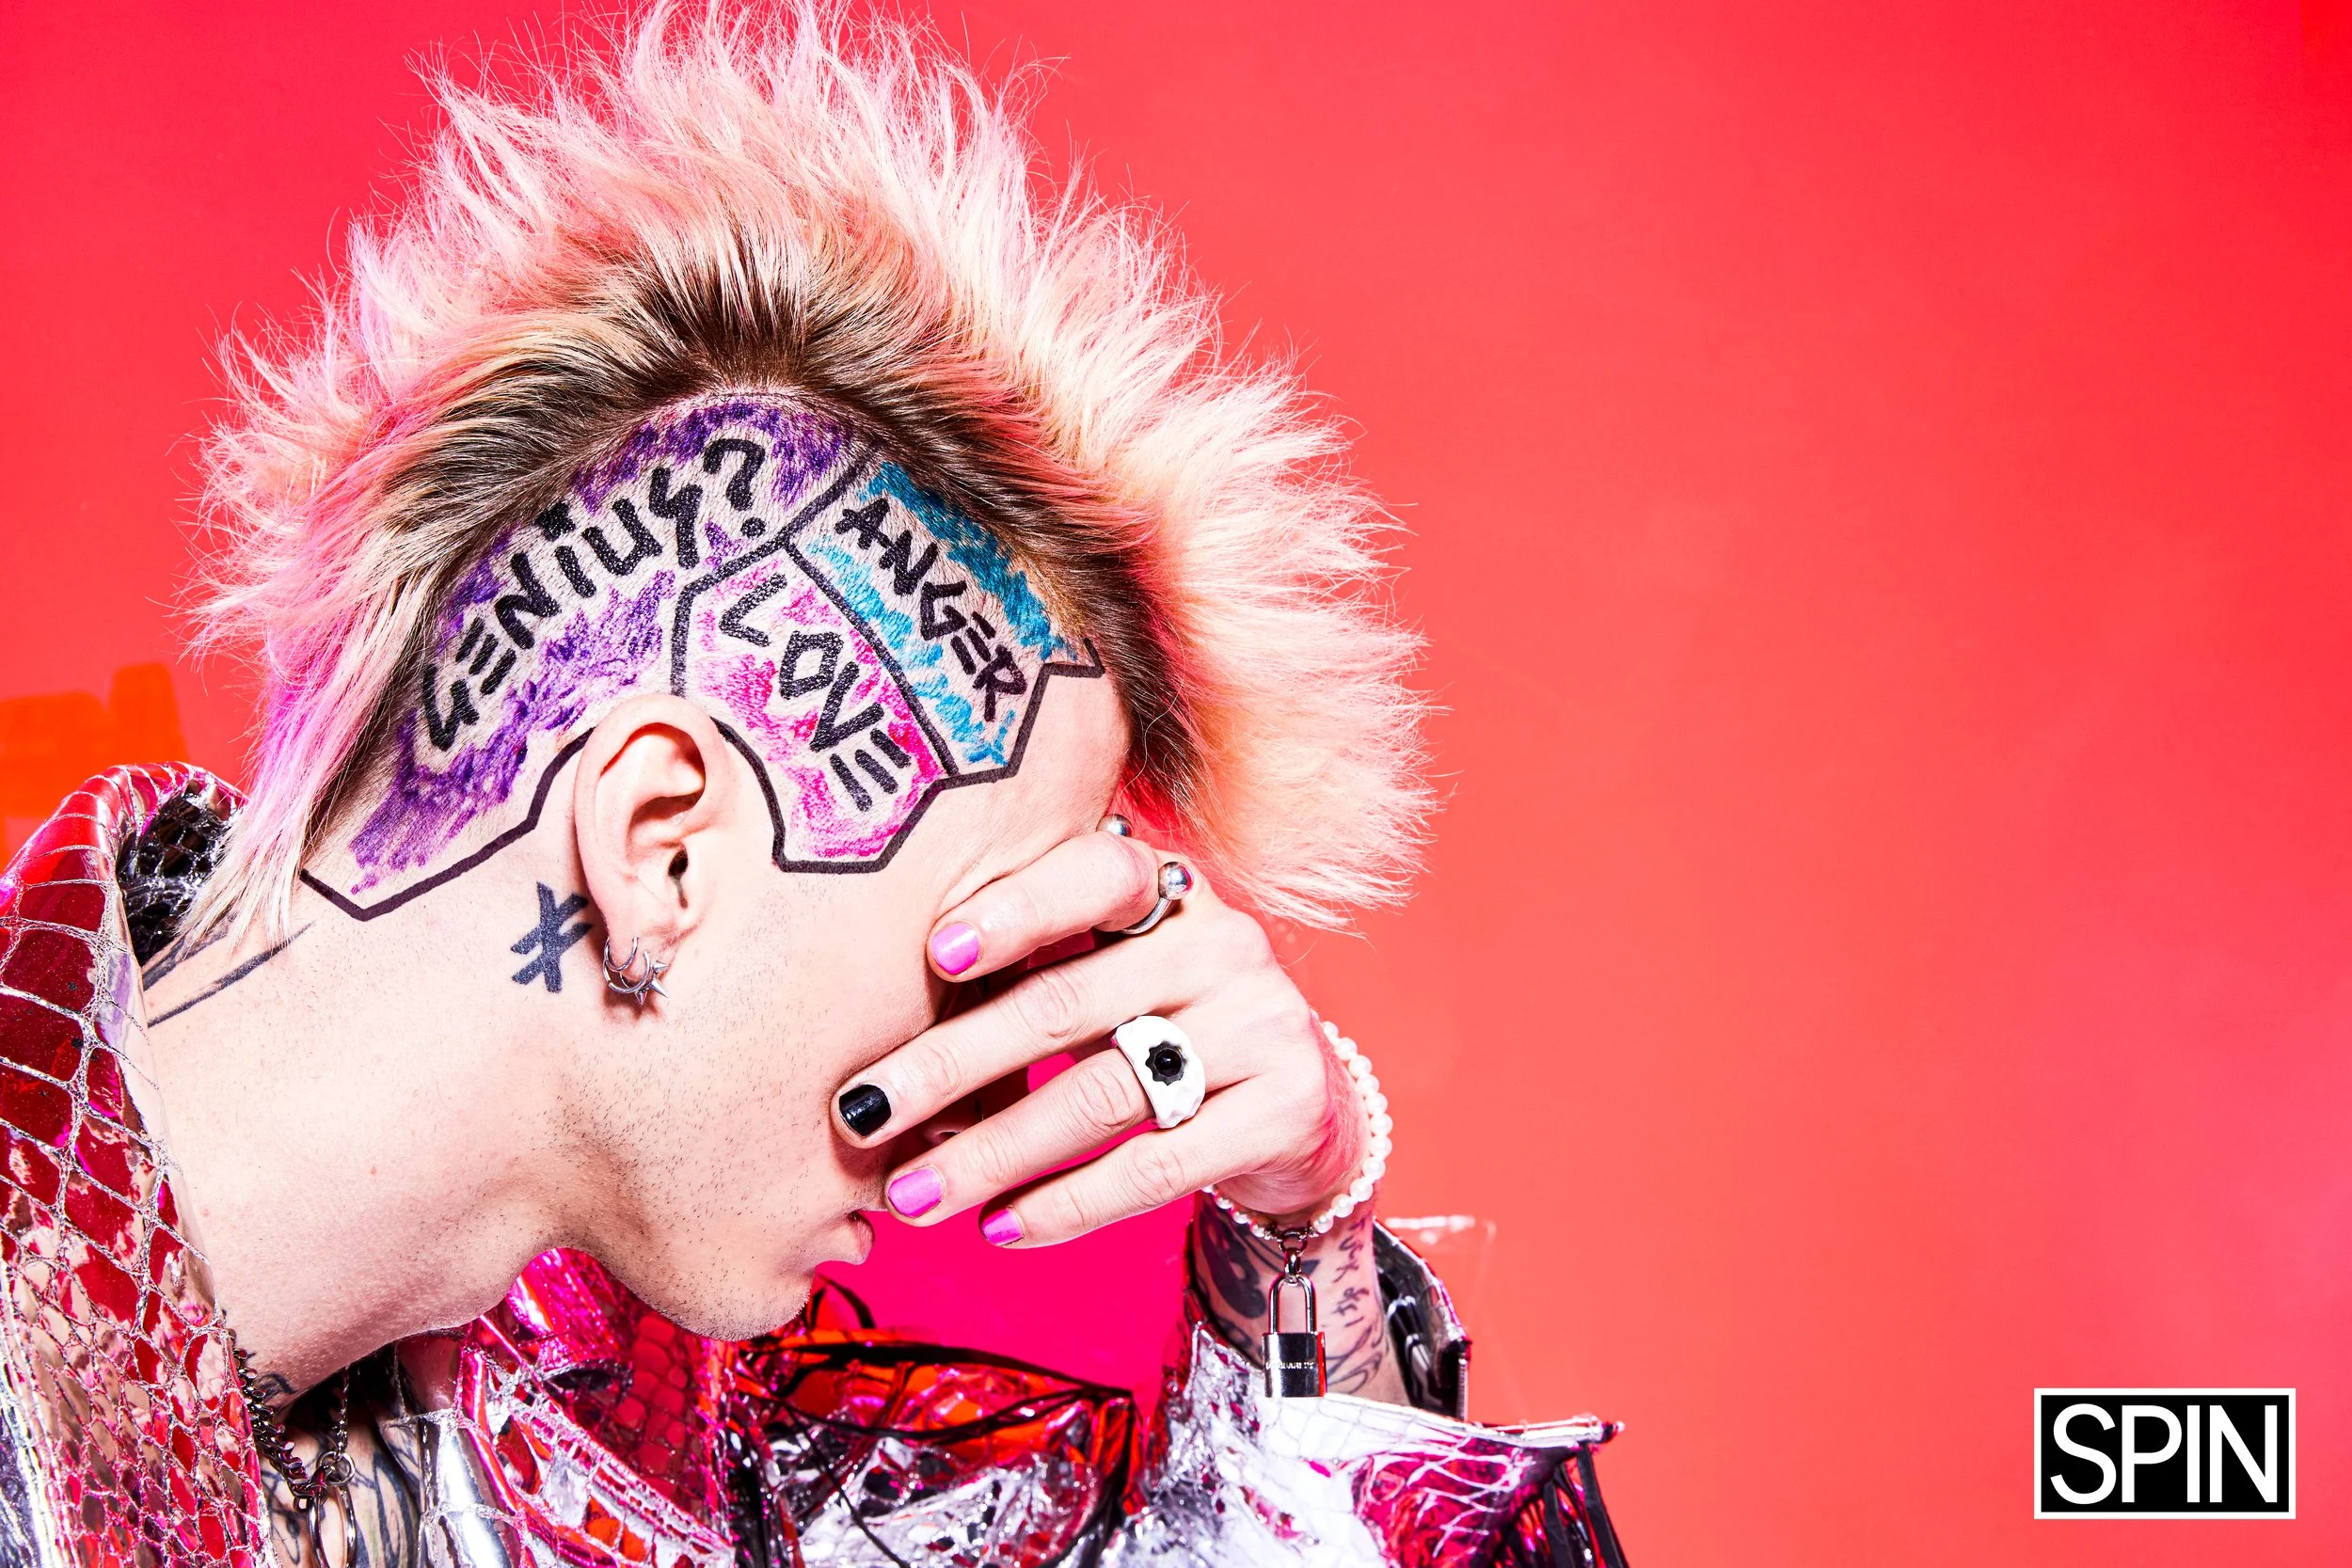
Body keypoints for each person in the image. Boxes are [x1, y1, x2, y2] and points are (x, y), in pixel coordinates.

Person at [0, 8, 1627, 1565]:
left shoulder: (643, 1463)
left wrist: (1299, 1211)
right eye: (969, 946)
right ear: (662, 851)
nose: (996, 1077)